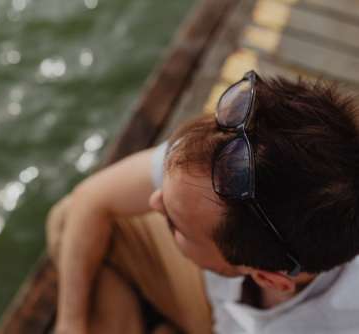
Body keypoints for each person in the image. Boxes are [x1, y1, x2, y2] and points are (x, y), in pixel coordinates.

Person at [46, 70, 359, 334]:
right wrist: (70, 323)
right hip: (221, 305)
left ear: (267, 278)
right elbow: (91, 199)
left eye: (175, 223)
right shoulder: (231, 164)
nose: (155, 203)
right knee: (69, 218)